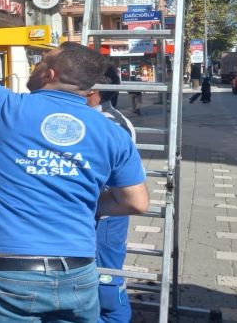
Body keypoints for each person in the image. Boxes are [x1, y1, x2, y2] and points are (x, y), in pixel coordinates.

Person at [0, 4, 149, 323]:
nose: (36, 66)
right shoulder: (112, 133)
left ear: (48, 74)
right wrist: (83, 203)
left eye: (41, 61)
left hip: (5, 278)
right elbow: (136, 202)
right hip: (78, 276)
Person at [86, 68, 141, 323]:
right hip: (96, 211)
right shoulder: (95, 117)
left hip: (106, 214)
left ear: (93, 91)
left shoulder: (110, 123)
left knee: (106, 284)